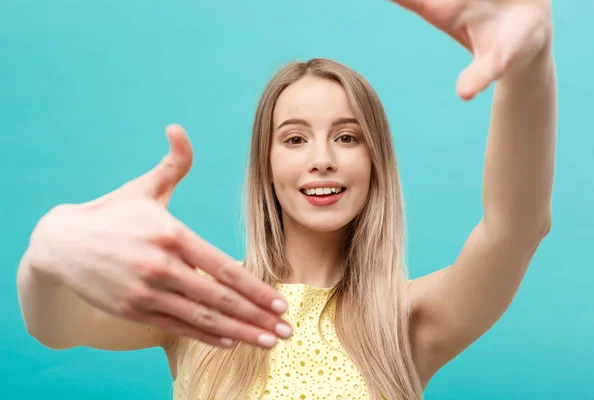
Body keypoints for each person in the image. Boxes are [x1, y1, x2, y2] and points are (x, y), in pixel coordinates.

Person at [16, 0, 557, 399]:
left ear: (376, 164)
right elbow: (54, 327)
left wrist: (530, 67)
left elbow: (514, 228)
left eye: (347, 137)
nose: (321, 158)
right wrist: (49, 251)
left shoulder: (407, 318)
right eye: (295, 138)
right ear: (266, 166)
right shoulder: (199, 306)